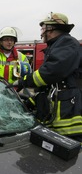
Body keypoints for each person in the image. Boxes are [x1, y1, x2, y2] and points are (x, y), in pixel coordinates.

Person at [12, 12, 82, 142]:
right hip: (60, 106)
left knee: (69, 150)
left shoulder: (67, 43)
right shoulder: (57, 45)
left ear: (51, 28)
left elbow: (52, 72)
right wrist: (33, 100)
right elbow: (50, 83)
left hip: (68, 112)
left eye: (43, 28)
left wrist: (27, 80)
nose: (42, 32)